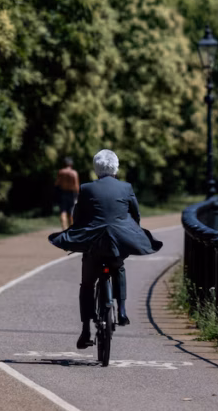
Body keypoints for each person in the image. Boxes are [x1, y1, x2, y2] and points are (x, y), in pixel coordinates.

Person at [48, 149, 163, 349]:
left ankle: (85, 331)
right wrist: (131, 231)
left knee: (87, 284)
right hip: (118, 241)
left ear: (96, 169)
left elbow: (78, 216)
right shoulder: (126, 187)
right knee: (118, 266)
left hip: (93, 242)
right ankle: (123, 311)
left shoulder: (86, 188)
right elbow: (135, 215)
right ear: (116, 168)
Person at [53, 157, 80, 230]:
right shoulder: (74, 173)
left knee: (63, 211)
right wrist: (77, 195)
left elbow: (57, 183)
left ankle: (64, 229)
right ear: (71, 164)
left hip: (63, 193)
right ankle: (71, 229)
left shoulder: (61, 172)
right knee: (71, 211)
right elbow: (76, 185)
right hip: (71, 193)